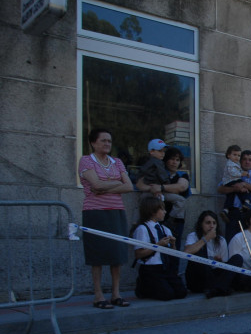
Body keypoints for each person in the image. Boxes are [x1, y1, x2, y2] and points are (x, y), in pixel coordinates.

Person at [79, 128, 135, 309]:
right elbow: (94, 184)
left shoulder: (117, 162)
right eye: (103, 140)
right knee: (97, 254)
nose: (107, 144)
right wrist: (116, 183)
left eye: (109, 141)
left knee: (116, 254)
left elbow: (128, 187)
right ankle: (98, 295)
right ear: (93, 143)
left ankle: (116, 294)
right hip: (95, 212)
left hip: (116, 211)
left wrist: (104, 187)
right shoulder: (86, 160)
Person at [137, 147, 189, 267]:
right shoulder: (157, 171)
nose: (174, 162)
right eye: (171, 159)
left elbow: (181, 187)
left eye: (177, 160)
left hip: (174, 221)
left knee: (173, 251)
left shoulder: (182, 175)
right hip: (155, 219)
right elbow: (140, 184)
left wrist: (160, 188)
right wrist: (152, 188)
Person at [132, 197, 188, 301]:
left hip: (165, 267)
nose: (165, 212)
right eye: (162, 209)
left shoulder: (165, 229)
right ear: (152, 211)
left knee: (181, 292)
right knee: (167, 295)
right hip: (150, 268)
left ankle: (157, 286)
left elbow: (173, 254)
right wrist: (157, 245)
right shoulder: (142, 229)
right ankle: (144, 287)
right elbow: (138, 254)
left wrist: (173, 244)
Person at [183, 211, 239, 298]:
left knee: (237, 258)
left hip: (213, 274)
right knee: (197, 252)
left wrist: (219, 261)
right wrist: (206, 238)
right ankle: (220, 287)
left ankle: (216, 288)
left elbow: (224, 266)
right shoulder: (193, 236)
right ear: (201, 224)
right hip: (198, 278)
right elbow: (187, 252)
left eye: (214, 223)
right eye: (208, 223)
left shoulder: (221, 240)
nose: (211, 226)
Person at [217, 147, 251, 242]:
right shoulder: (231, 173)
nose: (247, 162)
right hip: (234, 212)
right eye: (244, 159)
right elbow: (220, 189)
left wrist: (244, 184)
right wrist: (234, 188)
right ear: (240, 160)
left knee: (250, 241)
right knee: (232, 240)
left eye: (250, 160)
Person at [219, 145, 247, 222]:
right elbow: (233, 173)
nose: (237, 157)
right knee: (242, 188)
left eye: (238, 155)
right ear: (228, 155)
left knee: (230, 197)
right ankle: (246, 202)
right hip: (231, 181)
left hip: (229, 182)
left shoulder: (234, 164)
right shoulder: (230, 164)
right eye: (234, 155)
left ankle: (226, 210)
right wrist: (242, 174)